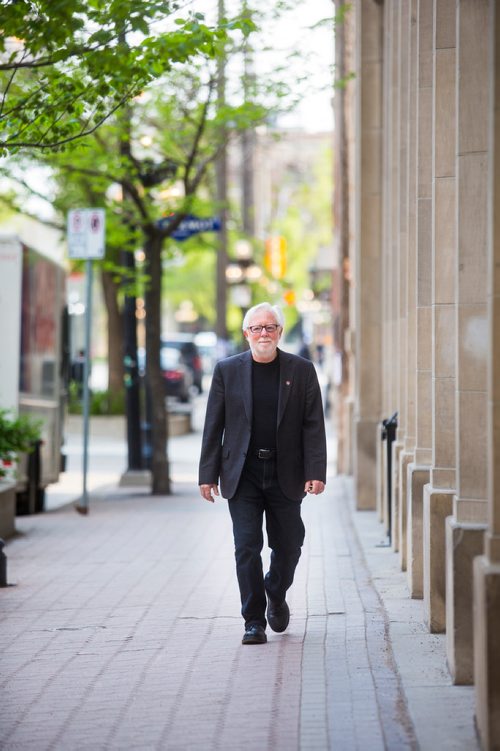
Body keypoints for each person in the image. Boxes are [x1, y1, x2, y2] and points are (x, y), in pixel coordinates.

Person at [198, 302, 327, 645]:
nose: (263, 334)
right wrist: (207, 474)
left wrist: (316, 471)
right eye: (257, 328)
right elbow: (214, 424)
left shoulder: (301, 371)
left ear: (280, 332)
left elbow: (313, 425)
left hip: (287, 472)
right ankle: (253, 621)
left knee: (289, 545)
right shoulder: (227, 370)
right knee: (247, 546)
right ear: (246, 334)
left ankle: (275, 588)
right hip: (243, 473)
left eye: (270, 327)